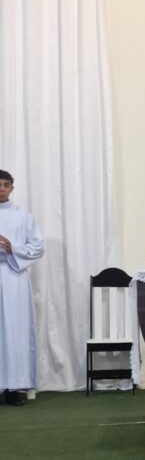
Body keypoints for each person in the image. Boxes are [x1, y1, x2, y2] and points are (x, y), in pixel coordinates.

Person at [0, 171, 44, 406]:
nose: (1, 188)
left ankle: (12, 387)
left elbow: (37, 247)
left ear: (12, 188)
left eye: (6, 185)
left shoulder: (23, 216)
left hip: (13, 277)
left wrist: (13, 249)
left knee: (14, 332)